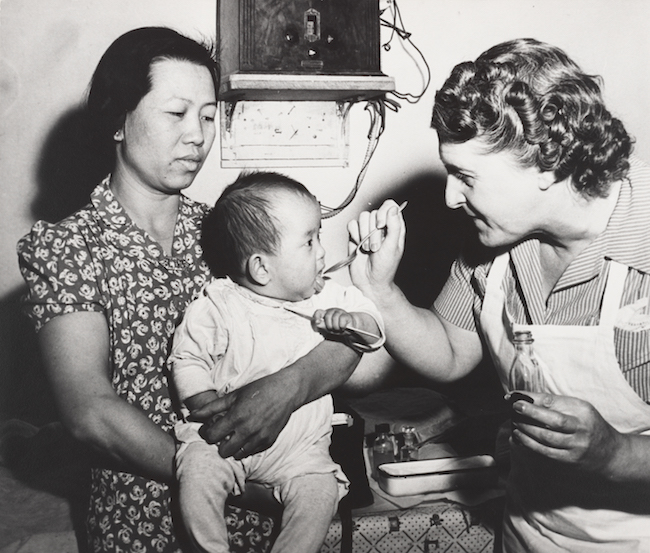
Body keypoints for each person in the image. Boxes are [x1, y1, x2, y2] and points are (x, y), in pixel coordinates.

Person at [17, 27, 361, 553]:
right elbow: (90, 413)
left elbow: (344, 337)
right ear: (118, 120)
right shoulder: (68, 247)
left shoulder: (229, 232)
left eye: (207, 116)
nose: (198, 136)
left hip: (262, 526)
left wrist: (286, 389)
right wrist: (225, 475)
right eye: (176, 114)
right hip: (143, 524)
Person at [348, 38, 650, 552]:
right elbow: (449, 353)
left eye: (466, 176)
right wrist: (379, 288)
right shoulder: (496, 243)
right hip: (526, 533)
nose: (449, 197)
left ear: (550, 166)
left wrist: (615, 453)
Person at [169, 171, 385, 553]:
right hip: (225, 440)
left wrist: (354, 323)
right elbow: (188, 354)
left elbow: (374, 333)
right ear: (261, 268)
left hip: (300, 455)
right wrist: (198, 397)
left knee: (321, 491)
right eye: (309, 241)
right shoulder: (219, 304)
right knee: (197, 472)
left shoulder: (326, 298)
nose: (322, 251)